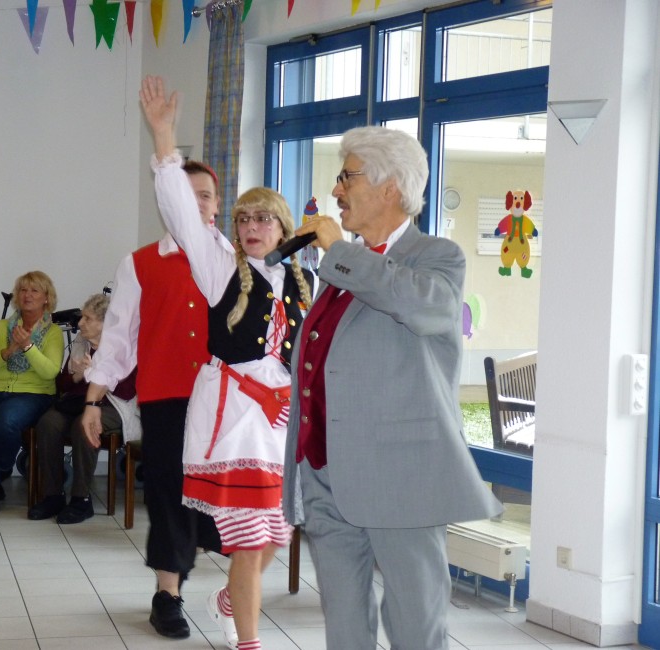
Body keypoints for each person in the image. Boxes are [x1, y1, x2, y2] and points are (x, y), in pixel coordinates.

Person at [281, 125, 503, 649]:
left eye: (347, 177)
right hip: (326, 470)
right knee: (343, 621)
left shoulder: (436, 257)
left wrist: (342, 253)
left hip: (401, 474)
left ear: (390, 188)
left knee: (413, 621)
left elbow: (423, 307)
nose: (336, 190)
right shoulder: (345, 265)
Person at [139, 75, 314, 650]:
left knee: (276, 531)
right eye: (243, 219)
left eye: (263, 219)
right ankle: (249, 642)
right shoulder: (218, 267)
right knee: (248, 538)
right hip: (234, 417)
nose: (252, 228)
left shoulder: (302, 280)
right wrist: (164, 139)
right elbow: (183, 215)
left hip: (279, 421)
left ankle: (231, 600)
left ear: (283, 227)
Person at [81, 157, 232, 638]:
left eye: (204, 195)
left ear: (217, 203)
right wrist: (92, 400)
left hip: (227, 401)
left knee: (226, 495)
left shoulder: (236, 260)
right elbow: (119, 339)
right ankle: (168, 594)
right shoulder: (140, 263)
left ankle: (237, 591)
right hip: (166, 397)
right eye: (185, 195)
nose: (196, 204)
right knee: (169, 491)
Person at [27, 292, 137, 524]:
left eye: (88, 318)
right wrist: (77, 376)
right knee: (48, 423)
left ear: (106, 323)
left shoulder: (125, 347)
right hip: (76, 402)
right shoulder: (81, 343)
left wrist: (96, 372)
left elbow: (127, 391)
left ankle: (81, 499)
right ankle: (53, 495)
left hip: (113, 406)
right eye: (82, 317)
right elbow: (61, 384)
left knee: (83, 426)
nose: (80, 323)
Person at [0, 270, 63, 514]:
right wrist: (7, 352)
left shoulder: (53, 332)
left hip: (35, 393)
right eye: (23, 290)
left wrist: (27, 346)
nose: (27, 295)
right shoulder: (3, 327)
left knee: (5, 420)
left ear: (46, 298)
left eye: (34, 290)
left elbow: (50, 372)